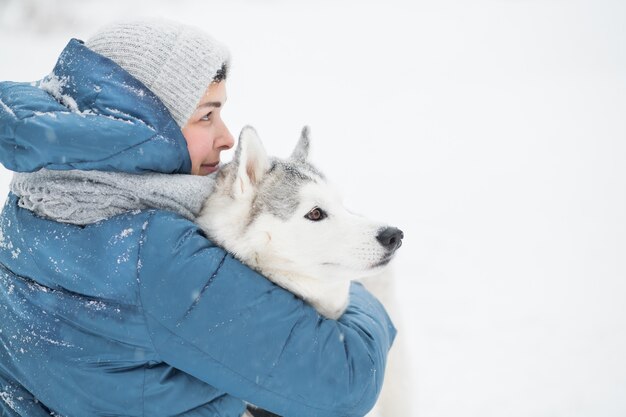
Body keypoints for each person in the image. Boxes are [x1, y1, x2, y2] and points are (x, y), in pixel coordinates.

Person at [0, 19, 396, 417]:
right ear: (147, 123)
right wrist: (367, 295)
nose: (226, 138)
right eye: (207, 116)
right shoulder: (158, 253)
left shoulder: (32, 199)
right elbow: (345, 380)